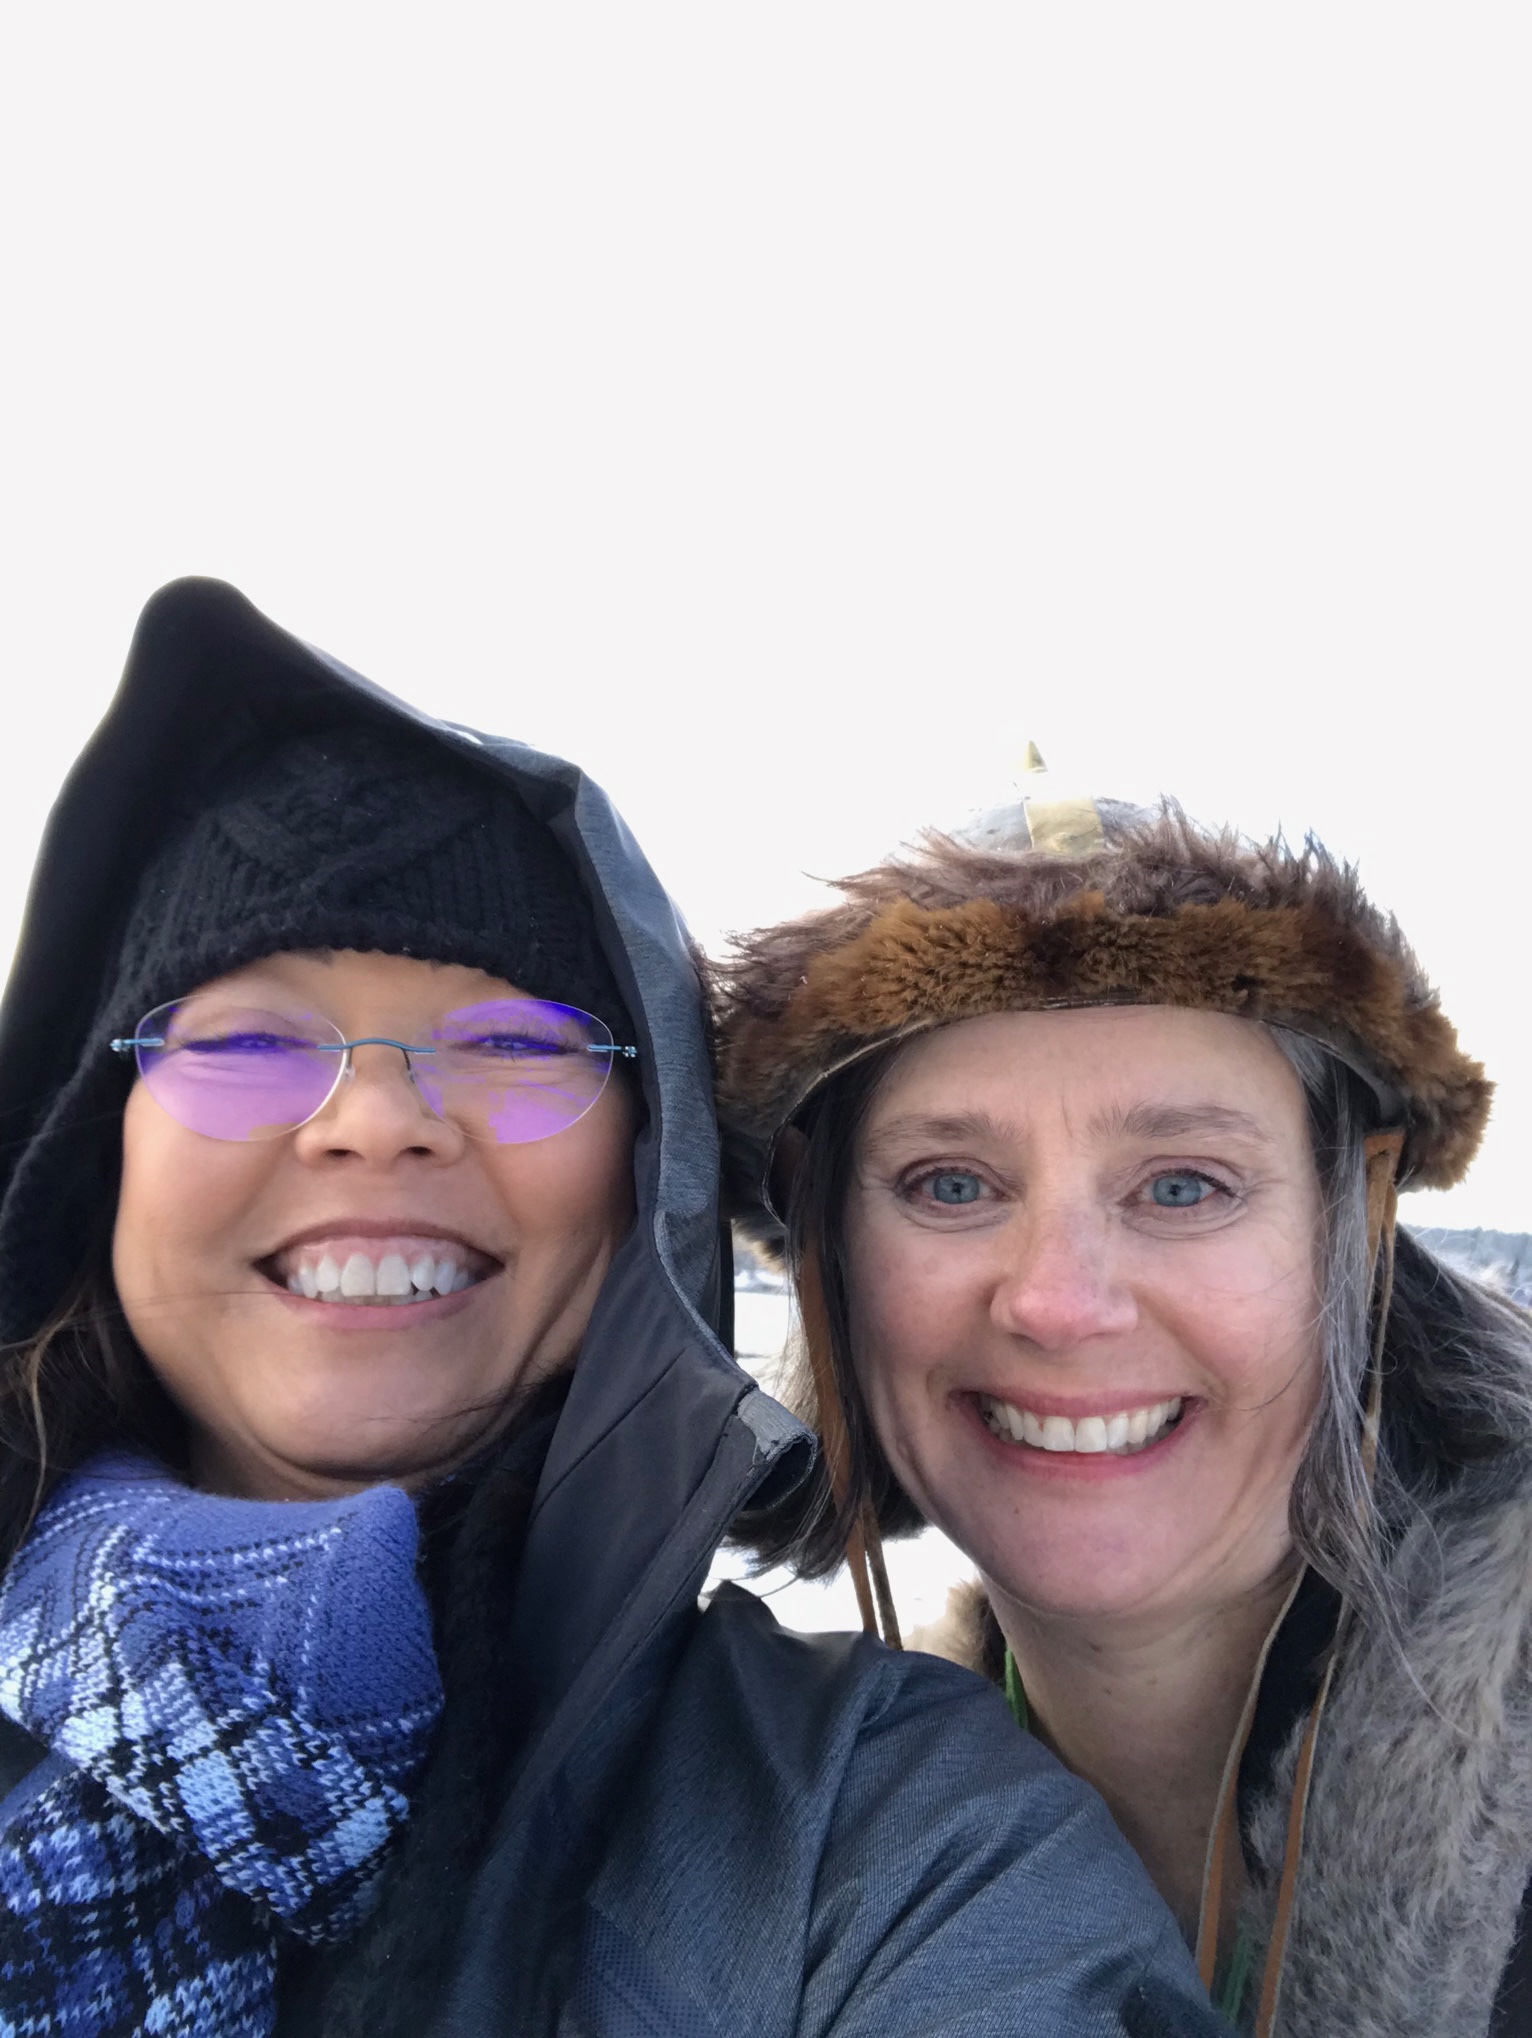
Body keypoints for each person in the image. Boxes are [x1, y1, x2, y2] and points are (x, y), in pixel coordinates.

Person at [0, 586, 1226, 2038]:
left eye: (514, 1042)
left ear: (649, 1177)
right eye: (252, 1039)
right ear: (96, 1152)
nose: (375, 1118)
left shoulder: (877, 1831)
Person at [712, 777, 1532, 2037]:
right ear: (827, 1268)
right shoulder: (780, 1831)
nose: (1056, 1302)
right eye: (948, 1183)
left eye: (1183, 1185)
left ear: (1350, 1234)